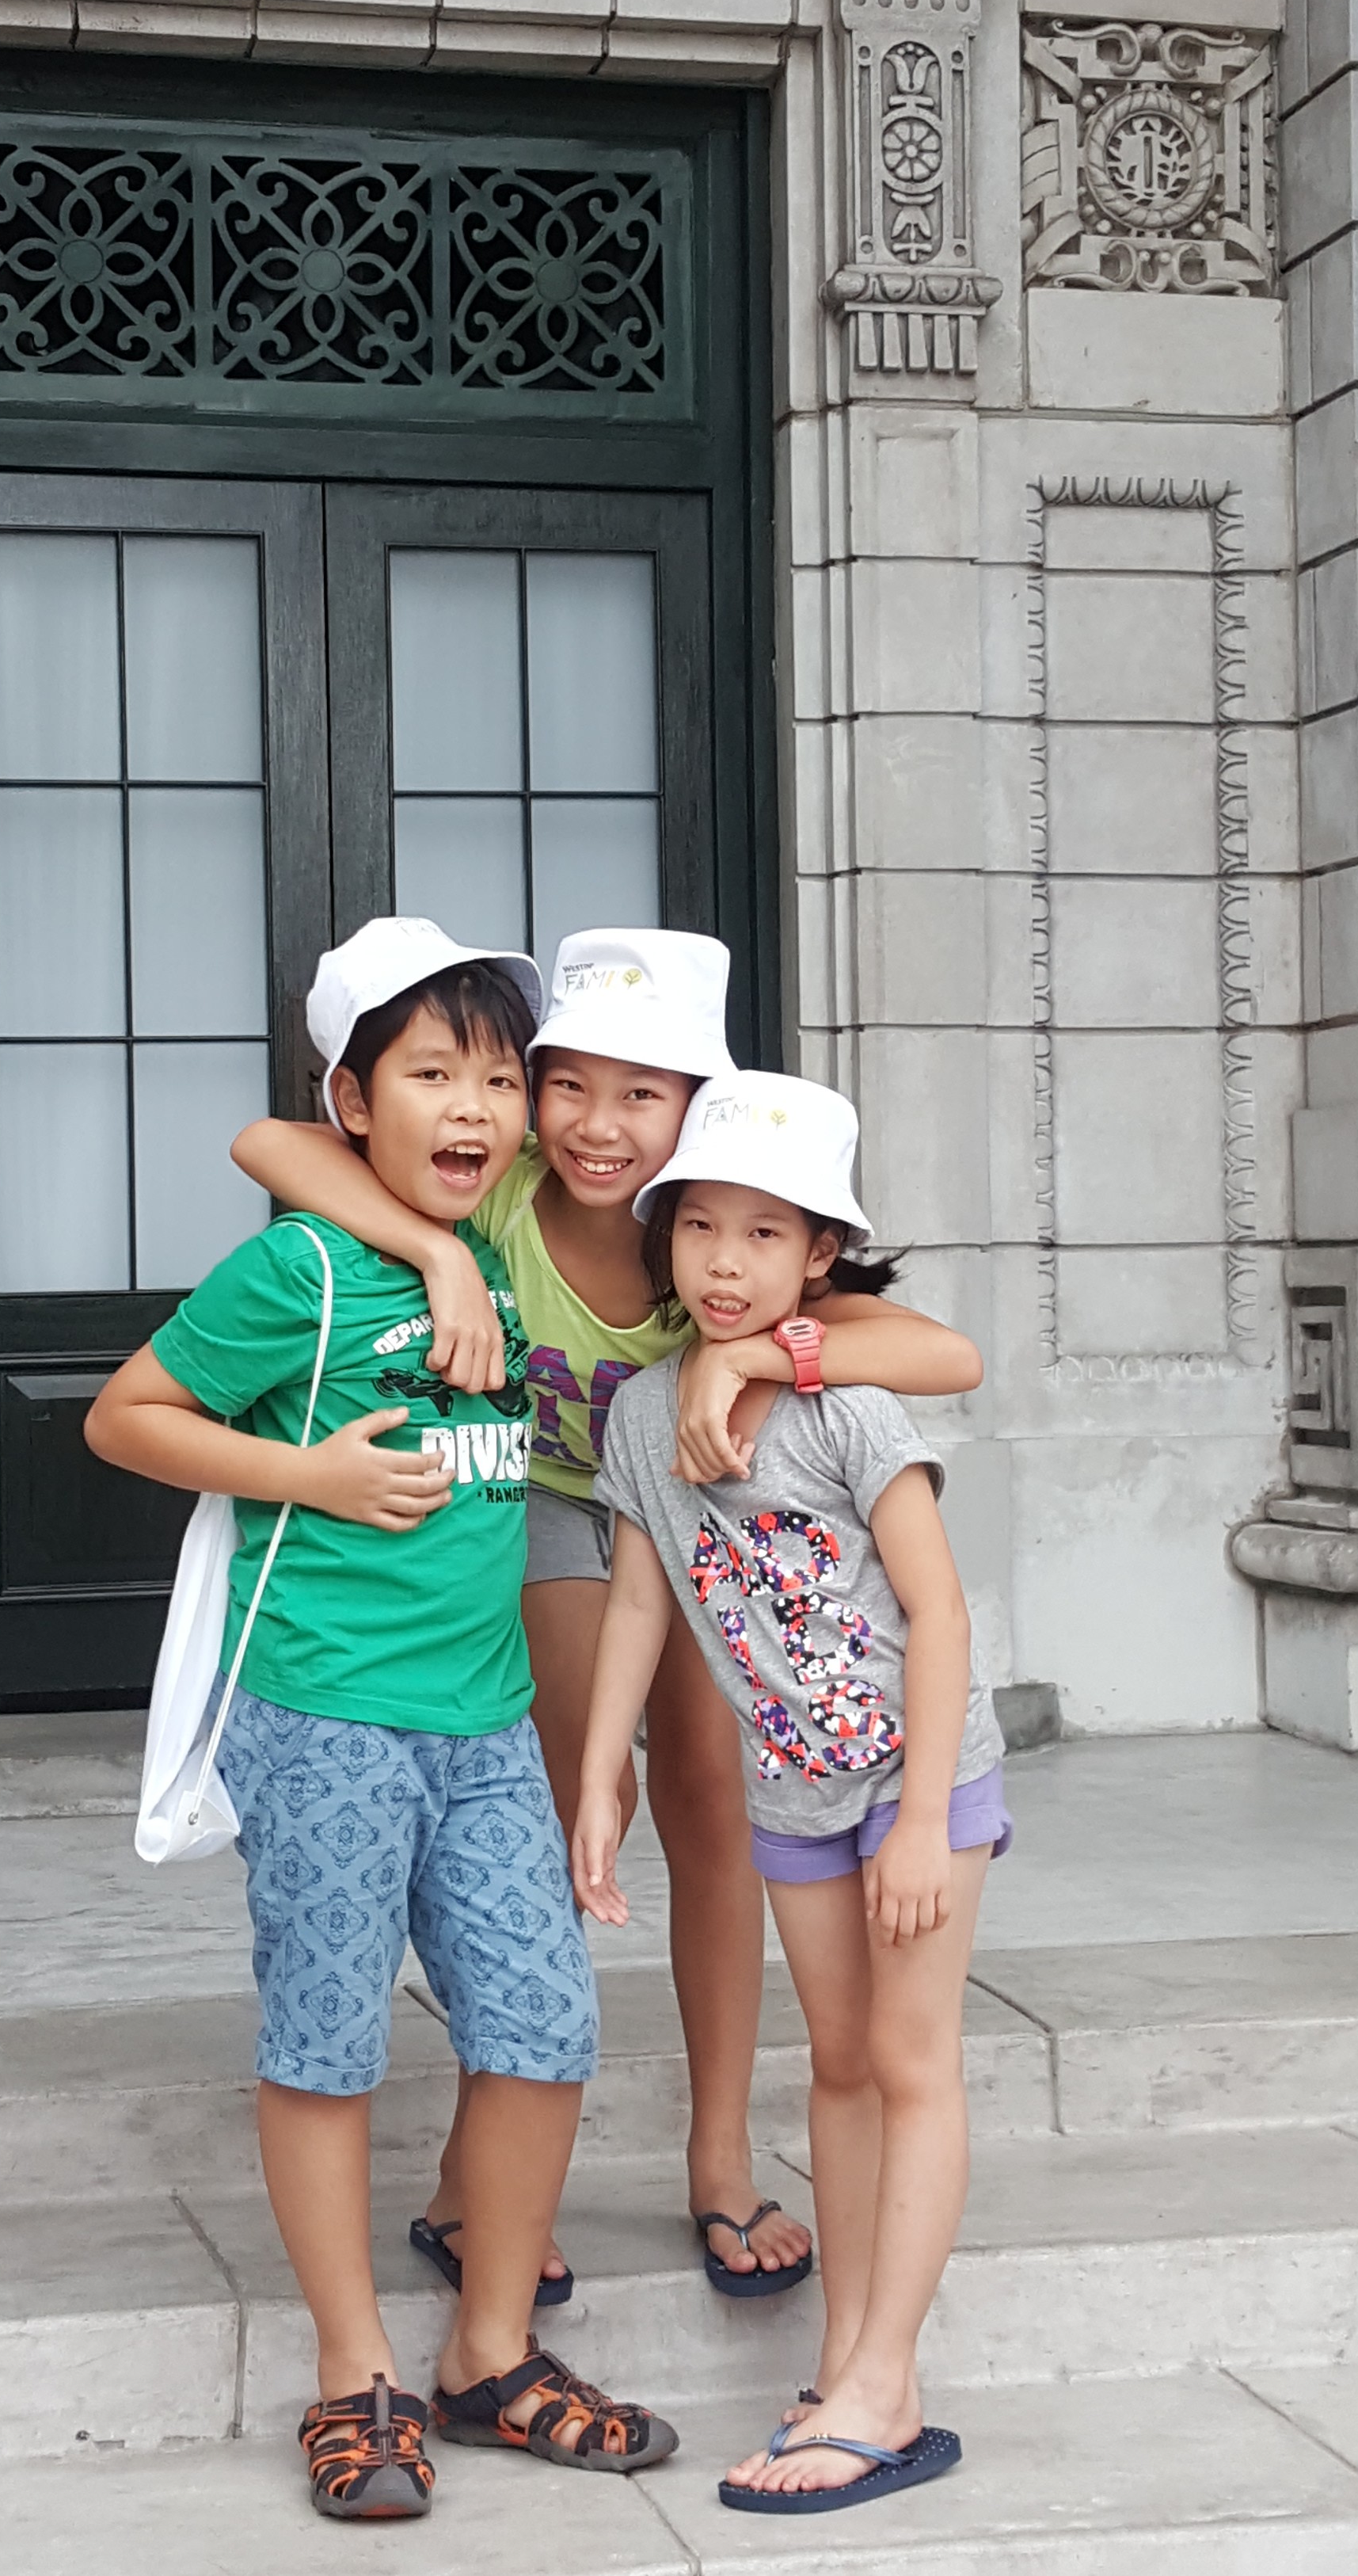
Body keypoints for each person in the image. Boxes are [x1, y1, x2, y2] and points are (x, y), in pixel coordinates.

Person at [235, 929, 982, 2307]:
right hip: (528, 1504)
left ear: (700, 1108)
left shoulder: (718, 1226)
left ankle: (719, 2156)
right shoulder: (509, 1182)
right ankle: (481, 2175)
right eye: (568, 1083)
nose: (598, 1124)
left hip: (680, 1518)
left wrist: (756, 1348)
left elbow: (947, 1353)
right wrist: (437, 1253)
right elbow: (269, 1143)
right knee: (582, 1789)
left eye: (645, 1094)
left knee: (712, 1789)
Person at [86, 919, 676, 2525]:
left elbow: (335, 1148)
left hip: (487, 1723)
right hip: (327, 1713)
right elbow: (126, 1414)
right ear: (356, 1101)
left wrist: (448, 1250)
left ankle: (490, 2350)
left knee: (543, 2021)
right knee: (327, 2039)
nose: (473, 1106)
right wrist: (312, 1473)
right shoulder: (301, 1272)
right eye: (429, 1074)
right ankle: (354, 2374)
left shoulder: (503, 1235)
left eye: (497, 1077)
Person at [571, 1070, 1010, 2521]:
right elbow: (640, 1602)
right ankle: (845, 2366)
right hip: (794, 1789)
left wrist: (926, 1816)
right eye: (701, 1226)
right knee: (836, 2064)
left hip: (917, 1774)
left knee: (910, 2055)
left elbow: (940, 1613)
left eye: (765, 1233)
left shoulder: (850, 1406)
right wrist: (601, 1775)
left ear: (820, 1253)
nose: (726, 1261)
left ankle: (887, 2386)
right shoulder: (645, 1412)